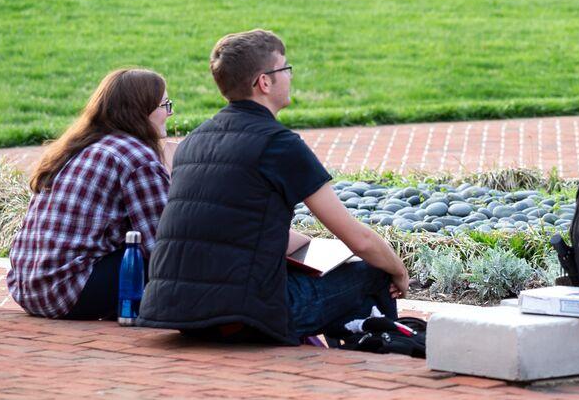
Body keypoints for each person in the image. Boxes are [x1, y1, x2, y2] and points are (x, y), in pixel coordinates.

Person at [139, 29, 410, 345]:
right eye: (286, 69)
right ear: (264, 82)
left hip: (176, 310)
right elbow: (357, 238)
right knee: (373, 271)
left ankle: (350, 347)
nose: (290, 77)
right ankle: (380, 354)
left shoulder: (193, 142)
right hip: (244, 315)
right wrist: (399, 271)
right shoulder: (279, 145)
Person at [7, 69, 173, 320]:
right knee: (169, 257)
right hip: (68, 292)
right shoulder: (136, 156)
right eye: (165, 105)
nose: (170, 113)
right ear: (142, 109)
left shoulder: (77, 146)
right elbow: (161, 243)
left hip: (27, 288)